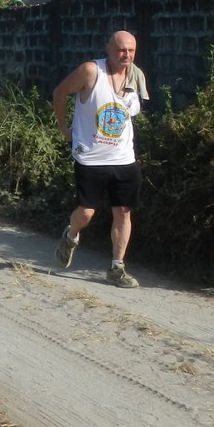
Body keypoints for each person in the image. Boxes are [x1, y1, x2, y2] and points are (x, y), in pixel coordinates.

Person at [51, 30, 147, 288]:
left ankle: (117, 268)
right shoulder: (91, 72)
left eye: (131, 50)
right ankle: (71, 235)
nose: (126, 55)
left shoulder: (136, 76)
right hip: (91, 157)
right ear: (108, 49)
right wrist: (64, 128)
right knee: (86, 213)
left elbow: (128, 113)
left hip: (124, 157)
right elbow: (59, 92)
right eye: (121, 50)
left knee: (123, 212)